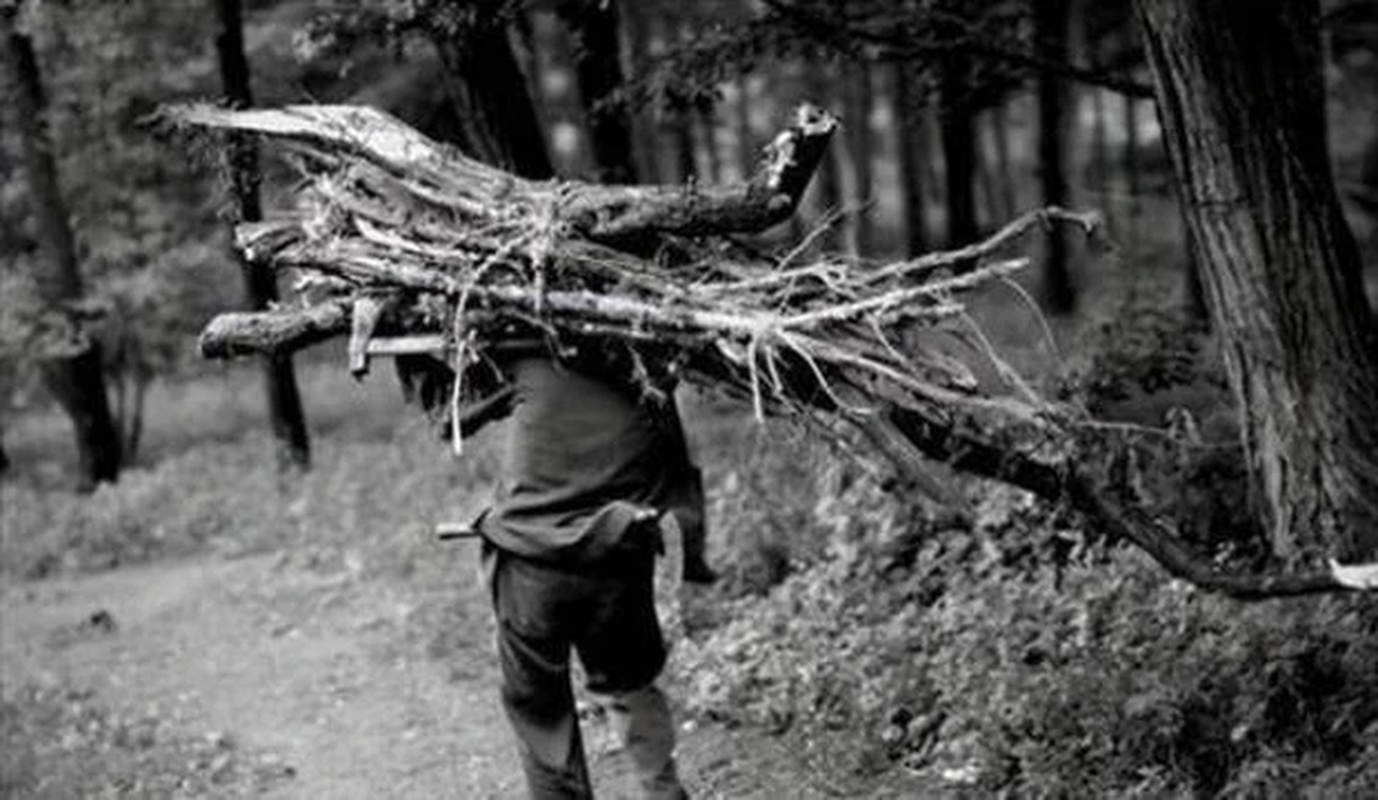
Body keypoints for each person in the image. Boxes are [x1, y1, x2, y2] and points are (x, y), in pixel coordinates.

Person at [426, 338, 708, 799]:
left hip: (530, 566)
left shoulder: (522, 362)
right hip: (616, 559)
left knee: (541, 711)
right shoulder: (651, 372)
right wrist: (695, 555)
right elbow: (677, 475)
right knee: (631, 682)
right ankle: (664, 792)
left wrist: (411, 361)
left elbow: (446, 415)